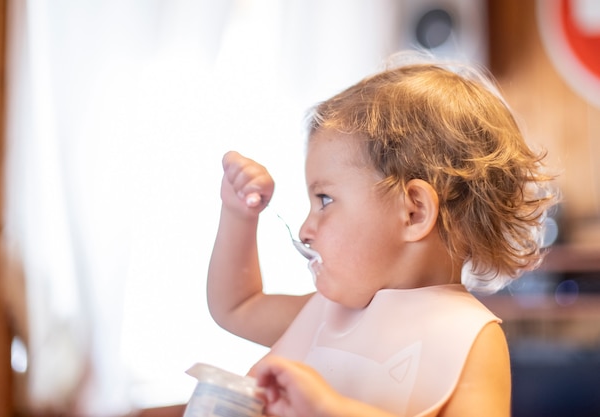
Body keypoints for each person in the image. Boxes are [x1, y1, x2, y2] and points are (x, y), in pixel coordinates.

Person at [207, 52, 558, 417]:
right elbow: (236, 307)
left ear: (414, 212)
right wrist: (238, 214)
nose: (305, 230)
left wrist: (332, 411)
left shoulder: (470, 338)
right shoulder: (326, 310)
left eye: (325, 199)